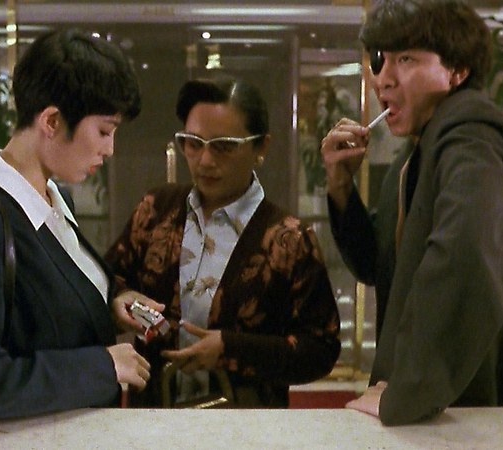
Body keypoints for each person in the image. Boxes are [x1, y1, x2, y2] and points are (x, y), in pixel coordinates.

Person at [321, 0, 503, 425]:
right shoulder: (418, 152)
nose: (383, 78)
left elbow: (466, 256)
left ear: (456, 70)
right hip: (442, 404)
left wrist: (407, 391)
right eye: (380, 60)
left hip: (471, 402)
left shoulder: (471, 131)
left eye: (406, 59)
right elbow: (376, 265)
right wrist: (341, 184)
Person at [0, 28, 154, 421]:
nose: (109, 149)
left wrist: (108, 305)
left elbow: (45, 310)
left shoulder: (52, 201)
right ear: (52, 120)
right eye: (104, 131)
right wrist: (102, 366)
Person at [104, 77, 341, 408]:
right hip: (154, 418)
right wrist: (119, 301)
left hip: (245, 424)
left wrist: (232, 349)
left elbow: (320, 349)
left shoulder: (288, 239)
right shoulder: (156, 210)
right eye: (193, 143)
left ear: (261, 148)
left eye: (223, 146)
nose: (205, 160)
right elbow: (101, 286)